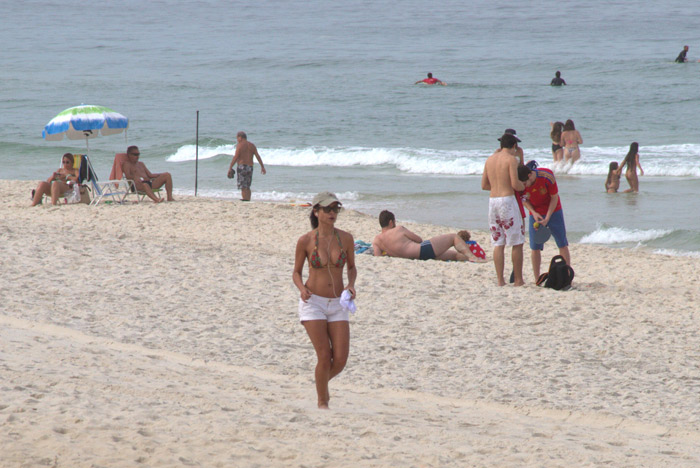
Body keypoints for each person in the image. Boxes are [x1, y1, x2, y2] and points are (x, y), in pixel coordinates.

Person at [292, 192, 357, 409]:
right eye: (328, 209)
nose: (332, 213)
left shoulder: (346, 238)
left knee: (340, 360)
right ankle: (323, 403)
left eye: (335, 209)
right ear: (316, 211)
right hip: (314, 302)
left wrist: (351, 285)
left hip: (338, 303)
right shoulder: (306, 241)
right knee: (324, 355)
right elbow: (296, 272)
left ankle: (320, 384)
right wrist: (301, 289)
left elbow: (352, 268)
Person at [481, 133, 526, 286]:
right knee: (517, 242)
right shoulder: (511, 160)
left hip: (493, 200)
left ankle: (500, 280)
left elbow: (484, 185)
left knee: (498, 242)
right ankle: (518, 280)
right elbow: (515, 183)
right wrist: (524, 186)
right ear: (513, 146)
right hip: (507, 200)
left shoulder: (490, 159)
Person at [517, 164, 571, 282]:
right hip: (535, 213)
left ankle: (567, 275)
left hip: (554, 211)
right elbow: (524, 199)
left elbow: (554, 197)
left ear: (530, 175)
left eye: (525, 183)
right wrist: (533, 212)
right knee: (535, 247)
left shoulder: (547, 176)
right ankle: (537, 278)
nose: (524, 186)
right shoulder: (520, 182)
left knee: (562, 243)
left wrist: (547, 217)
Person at [371, 210, 486, 262]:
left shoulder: (377, 240)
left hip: (415, 258)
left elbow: (378, 257)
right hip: (422, 251)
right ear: (391, 222)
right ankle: (472, 257)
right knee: (453, 237)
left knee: (454, 255)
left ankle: (469, 258)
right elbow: (419, 239)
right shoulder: (398, 229)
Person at [228, 131, 266, 201]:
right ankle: (248, 200)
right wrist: (262, 167)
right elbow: (258, 156)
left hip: (242, 167)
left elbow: (236, 157)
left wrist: (230, 167)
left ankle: (245, 199)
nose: (237, 140)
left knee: (243, 186)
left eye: (237, 138)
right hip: (250, 167)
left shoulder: (240, 145)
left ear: (240, 137)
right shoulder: (252, 145)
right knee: (248, 186)